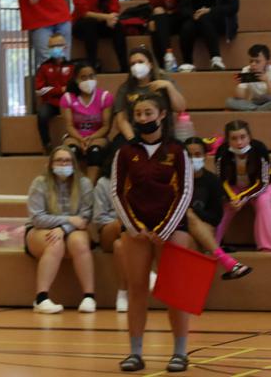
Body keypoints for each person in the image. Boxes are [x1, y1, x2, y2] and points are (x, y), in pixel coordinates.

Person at [111, 93, 194, 372]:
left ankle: (180, 353)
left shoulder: (178, 150)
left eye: (149, 113)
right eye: (139, 114)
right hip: (136, 231)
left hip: (172, 229)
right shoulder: (125, 152)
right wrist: (135, 228)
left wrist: (164, 229)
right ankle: (135, 353)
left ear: (161, 115)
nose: (143, 118)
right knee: (136, 289)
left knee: (175, 292)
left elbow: (185, 193)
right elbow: (116, 192)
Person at [25, 146, 95, 314]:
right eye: (59, 160)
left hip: (72, 231)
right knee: (55, 243)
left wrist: (64, 228)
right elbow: (37, 218)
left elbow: (85, 217)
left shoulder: (84, 183)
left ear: (74, 163)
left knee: (79, 242)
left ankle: (89, 297)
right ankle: (41, 299)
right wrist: (68, 220)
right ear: (51, 164)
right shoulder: (40, 183)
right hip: (40, 230)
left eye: (67, 160)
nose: (63, 164)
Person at [183, 137, 252, 278]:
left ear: (204, 156)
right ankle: (228, 262)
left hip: (204, 228)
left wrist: (196, 213)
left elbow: (215, 218)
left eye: (197, 155)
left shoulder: (212, 181)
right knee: (187, 217)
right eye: (189, 155)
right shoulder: (176, 179)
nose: (193, 159)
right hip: (179, 227)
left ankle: (190, 292)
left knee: (191, 237)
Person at [213, 120, 271, 252]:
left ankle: (266, 247)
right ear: (228, 140)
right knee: (226, 206)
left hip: (258, 187)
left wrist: (243, 197)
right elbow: (221, 181)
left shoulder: (259, 149)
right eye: (234, 138)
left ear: (249, 137)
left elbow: (263, 182)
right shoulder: (222, 153)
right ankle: (213, 245)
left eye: (243, 137)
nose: (239, 142)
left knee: (264, 202)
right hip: (234, 188)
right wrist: (231, 198)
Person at [113, 46, 186, 145]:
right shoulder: (125, 88)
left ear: (150, 64)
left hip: (163, 135)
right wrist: (133, 140)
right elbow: (121, 120)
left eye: (140, 62)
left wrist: (169, 87)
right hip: (135, 135)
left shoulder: (165, 82)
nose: (136, 66)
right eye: (132, 64)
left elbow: (180, 108)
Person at [60, 60, 113, 183]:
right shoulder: (68, 98)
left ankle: (88, 189)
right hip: (75, 135)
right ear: (76, 79)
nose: (88, 80)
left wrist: (90, 138)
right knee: (71, 151)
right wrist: (81, 139)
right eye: (83, 77)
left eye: (91, 76)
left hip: (98, 135)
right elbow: (69, 125)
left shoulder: (105, 97)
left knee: (95, 152)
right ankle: (71, 186)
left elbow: (106, 127)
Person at [92, 163, 128, 312]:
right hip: (109, 231)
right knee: (123, 223)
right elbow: (99, 218)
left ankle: (122, 293)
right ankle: (150, 276)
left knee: (120, 246)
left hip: (131, 235)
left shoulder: (141, 181)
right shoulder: (104, 183)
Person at [34, 34, 73, 154]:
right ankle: (47, 145)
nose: (55, 48)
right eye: (52, 46)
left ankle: (72, 143)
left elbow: (73, 88)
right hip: (51, 103)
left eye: (58, 45)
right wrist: (60, 90)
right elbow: (39, 89)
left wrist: (63, 91)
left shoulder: (72, 66)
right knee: (42, 114)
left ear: (65, 47)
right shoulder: (44, 67)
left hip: (68, 102)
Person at [226, 44, 271, 111]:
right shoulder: (246, 70)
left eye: (257, 61)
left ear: (267, 62)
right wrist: (239, 84)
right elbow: (241, 97)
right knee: (229, 101)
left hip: (268, 100)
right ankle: (258, 110)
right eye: (251, 61)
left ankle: (253, 110)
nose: (253, 64)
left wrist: (267, 81)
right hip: (254, 102)